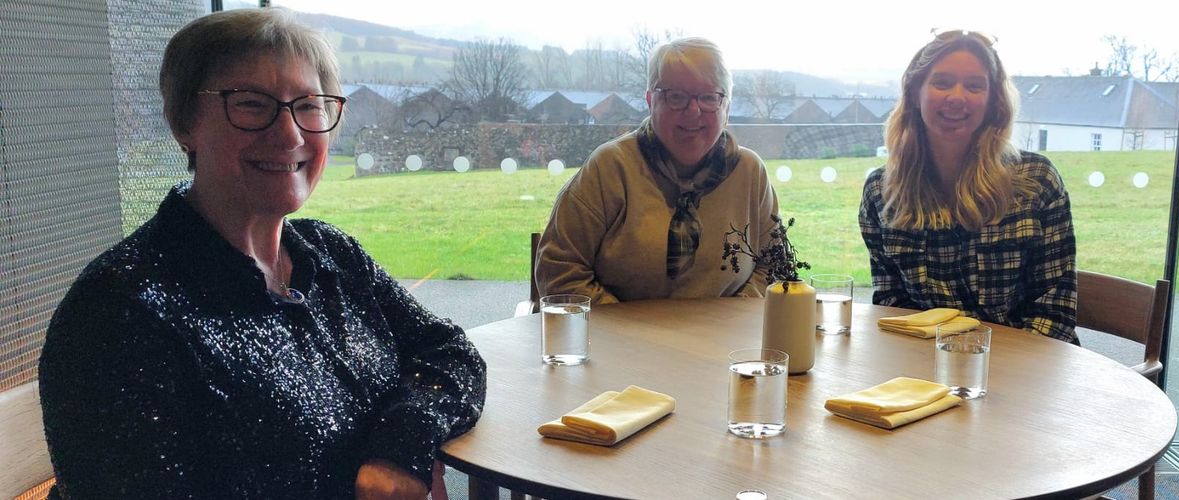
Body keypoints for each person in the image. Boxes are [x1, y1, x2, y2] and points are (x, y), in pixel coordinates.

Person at [37, 9, 485, 498]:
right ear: (183, 123)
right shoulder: (119, 314)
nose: (291, 134)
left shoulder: (332, 255)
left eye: (310, 106)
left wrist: (400, 450)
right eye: (251, 104)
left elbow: (450, 354)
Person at [859, 30, 1077, 343]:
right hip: (921, 375)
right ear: (915, 93)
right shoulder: (880, 192)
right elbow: (894, 311)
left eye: (974, 86)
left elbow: (1055, 319)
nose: (957, 97)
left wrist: (984, 372)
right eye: (942, 82)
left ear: (993, 101)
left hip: (1026, 371)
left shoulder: (1036, 181)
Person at [535, 37, 778, 304]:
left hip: (724, 342)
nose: (693, 110)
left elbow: (773, 268)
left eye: (709, 97)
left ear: (727, 108)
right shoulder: (609, 168)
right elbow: (559, 273)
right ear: (650, 101)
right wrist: (635, 332)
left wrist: (724, 322)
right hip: (619, 342)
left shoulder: (750, 173)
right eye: (676, 97)